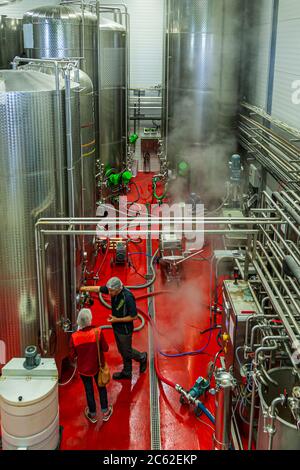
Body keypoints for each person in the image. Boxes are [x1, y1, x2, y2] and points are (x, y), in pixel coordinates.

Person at [81, 277, 148, 380]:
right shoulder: (112, 290)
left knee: (126, 351)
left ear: (118, 289)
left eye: (111, 291)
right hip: (116, 326)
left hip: (125, 330)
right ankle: (127, 372)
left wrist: (117, 320)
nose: (109, 292)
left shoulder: (128, 297)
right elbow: (98, 289)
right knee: (122, 350)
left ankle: (142, 357)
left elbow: (134, 316)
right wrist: (84, 288)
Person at [70, 308, 113, 423]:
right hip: (98, 367)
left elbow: (73, 355)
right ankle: (105, 411)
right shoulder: (97, 332)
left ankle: (92, 414)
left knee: (88, 390)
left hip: (84, 370)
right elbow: (106, 348)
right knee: (101, 387)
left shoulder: (74, 337)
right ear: (90, 320)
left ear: (79, 322)